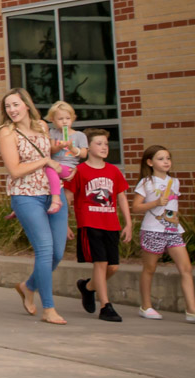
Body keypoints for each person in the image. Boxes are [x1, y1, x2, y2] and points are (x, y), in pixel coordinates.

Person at [0, 87, 68, 325]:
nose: (12, 110)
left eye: (15, 104)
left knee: (58, 253)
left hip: (53, 193)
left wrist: (56, 149)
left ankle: (28, 286)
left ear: (26, 105)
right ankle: (48, 309)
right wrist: (46, 159)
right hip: (26, 195)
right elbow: (15, 169)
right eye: (8, 106)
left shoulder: (41, 126)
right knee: (44, 250)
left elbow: (46, 151)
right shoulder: (7, 133)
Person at [65, 129, 130, 322]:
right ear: (88, 147)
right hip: (89, 223)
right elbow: (68, 198)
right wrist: (65, 224)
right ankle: (105, 306)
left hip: (111, 224)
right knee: (100, 264)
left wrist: (128, 223)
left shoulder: (113, 170)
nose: (104, 147)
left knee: (113, 267)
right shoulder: (80, 171)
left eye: (106, 144)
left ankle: (88, 287)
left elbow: (121, 197)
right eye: (99, 143)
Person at [132, 145, 194, 323]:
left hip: (173, 230)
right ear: (150, 162)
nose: (166, 162)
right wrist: (156, 202)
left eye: (168, 158)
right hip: (153, 230)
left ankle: (191, 310)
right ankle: (146, 306)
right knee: (150, 268)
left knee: (186, 268)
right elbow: (135, 207)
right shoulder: (146, 182)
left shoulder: (174, 182)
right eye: (161, 159)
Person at [45, 101, 88, 215]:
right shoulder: (53, 132)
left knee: (49, 169)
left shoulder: (79, 135)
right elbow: (51, 150)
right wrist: (59, 146)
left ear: (73, 118)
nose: (64, 121)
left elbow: (84, 154)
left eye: (67, 118)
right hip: (55, 164)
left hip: (68, 167)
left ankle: (56, 199)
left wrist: (72, 148)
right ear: (53, 120)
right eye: (60, 119)